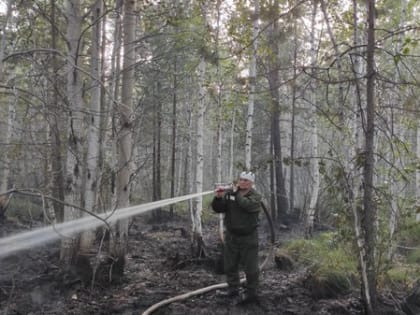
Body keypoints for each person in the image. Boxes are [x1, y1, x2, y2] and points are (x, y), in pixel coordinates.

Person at [211, 171, 262, 304]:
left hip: (248, 238)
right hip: (232, 237)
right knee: (230, 266)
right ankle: (233, 289)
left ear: (251, 183)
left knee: (251, 268)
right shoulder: (230, 194)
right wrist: (218, 198)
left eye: (246, 180)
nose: (242, 182)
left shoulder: (255, 196)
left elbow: (247, 205)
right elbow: (219, 208)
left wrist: (235, 194)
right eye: (241, 179)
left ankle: (251, 293)